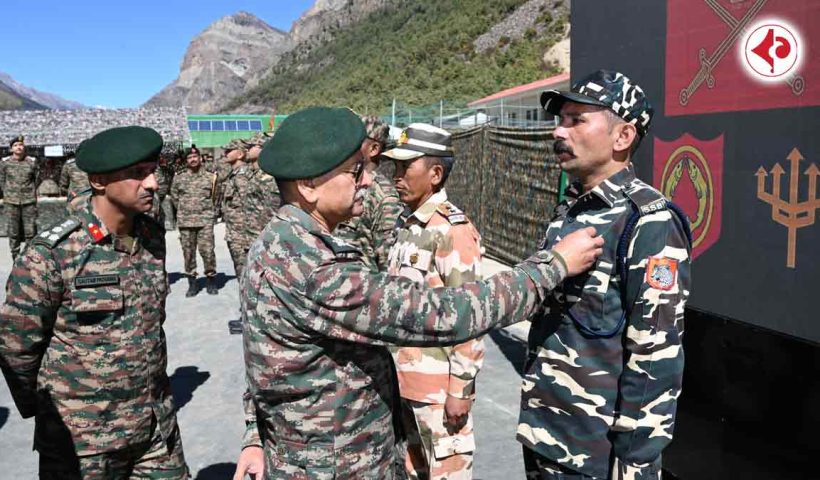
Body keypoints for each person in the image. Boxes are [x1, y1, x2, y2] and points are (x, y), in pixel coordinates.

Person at [232, 106, 604, 479]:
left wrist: (255, 433)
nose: (369, 180)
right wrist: (553, 265)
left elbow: (265, 358)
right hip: (334, 465)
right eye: (356, 171)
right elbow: (446, 313)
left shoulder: (277, 243)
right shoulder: (311, 266)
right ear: (308, 185)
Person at [518, 70, 692, 480]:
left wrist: (635, 462)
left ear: (622, 136)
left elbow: (655, 356)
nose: (558, 132)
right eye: (560, 120)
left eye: (576, 120)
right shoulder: (571, 210)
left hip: (597, 456)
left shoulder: (648, 221)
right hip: (545, 435)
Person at [0, 126, 189, 479]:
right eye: (138, 174)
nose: (152, 183)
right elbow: (16, 347)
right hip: (84, 441)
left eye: (153, 170)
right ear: (99, 181)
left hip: (155, 428)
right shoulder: (51, 254)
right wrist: (51, 412)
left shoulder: (151, 237)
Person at [383, 123, 485, 479]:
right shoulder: (410, 225)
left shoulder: (451, 230)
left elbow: (471, 315)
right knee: (414, 472)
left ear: (436, 174)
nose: (396, 176)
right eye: (395, 167)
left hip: (439, 391)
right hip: (407, 384)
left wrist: (461, 390)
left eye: (405, 167)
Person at [334, 115, 403, 271]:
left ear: (374, 149)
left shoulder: (384, 196)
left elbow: (387, 261)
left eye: (355, 141)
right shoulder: (339, 182)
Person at [228, 132, 277, 334]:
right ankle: (250, 318)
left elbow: (273, 211)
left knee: (263, 283)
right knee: (249, 279)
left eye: (252, 146)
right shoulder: (253, 175)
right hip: (248, 236)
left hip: (262, 238)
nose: (247, 149)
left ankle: (262, 322)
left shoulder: (269, 177)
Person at [169, 144, 218, 296]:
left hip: (205, 220)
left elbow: (216, 197)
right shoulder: (179, 178)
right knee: (188, 253)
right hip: (186, 221)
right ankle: (192, 283)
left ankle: (211, 280)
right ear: (186, 160)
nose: (193, 159)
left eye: (195, 156)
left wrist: (208, 212)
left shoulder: (210, 177)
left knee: (208, 251)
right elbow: (175, 197)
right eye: (189, 157)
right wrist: (185, 210)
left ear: (200, 158)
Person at [0, 135, 39, 260]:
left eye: (21, 145)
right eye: (15, 145)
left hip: (29, 201)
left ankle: (28, 259)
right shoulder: (5, 163)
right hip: (11, 202)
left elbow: (36, 179)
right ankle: (16, 259)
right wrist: (8, 193)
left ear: (24, 147)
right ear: (11, 149)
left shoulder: (32, 162)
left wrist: (31, 192)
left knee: (30, 231)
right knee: (13, 232)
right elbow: (2, 180)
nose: (19, 147)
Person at [220, 138, 252, 279]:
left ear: (240, 154)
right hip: (234, 231)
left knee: (244, 273)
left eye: (229, 150)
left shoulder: (242, 175)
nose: (225, 153)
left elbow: (248, 204)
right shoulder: (233, 174)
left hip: (242, 233)